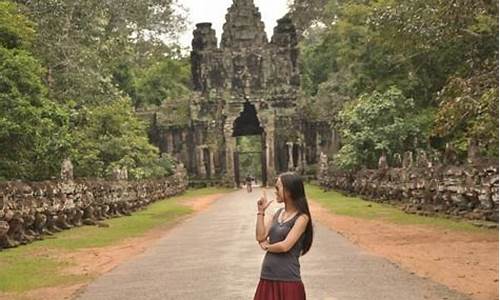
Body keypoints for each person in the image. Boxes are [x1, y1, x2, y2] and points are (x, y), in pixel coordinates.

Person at [254, 172, 314, 300]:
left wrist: (266, 247)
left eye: (277, 188)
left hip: (288, 279)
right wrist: (260, 212)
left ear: (289, 191)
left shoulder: (302, 218)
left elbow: (285, 246)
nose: (275, 191)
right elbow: (260, 237)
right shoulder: (278, 213)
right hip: (267, 276)